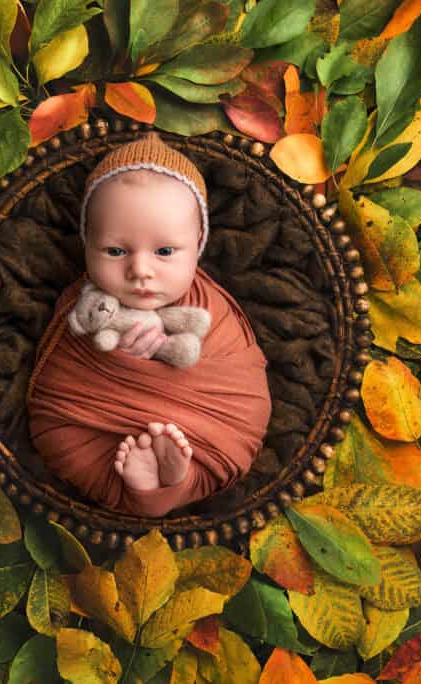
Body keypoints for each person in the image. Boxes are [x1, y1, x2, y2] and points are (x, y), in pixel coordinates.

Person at [27, 133, 272, 517]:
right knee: (58, 437)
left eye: (164, 252)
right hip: (93, 425)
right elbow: (58, 373)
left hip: (206, 427)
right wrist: (113, 352)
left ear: (198, 246)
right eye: (115, 251)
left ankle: (178, 480)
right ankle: (151, 487)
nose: (140, 269)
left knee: (248, 414)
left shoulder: (211, 305)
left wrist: (169, 363)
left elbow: (238, 373)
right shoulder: (82, 303)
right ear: (87, 244)